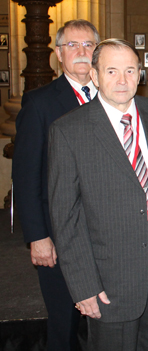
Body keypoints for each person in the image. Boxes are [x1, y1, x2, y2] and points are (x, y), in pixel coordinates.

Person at [48, 39, 148, 350]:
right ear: (95, 76)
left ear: (139, 75)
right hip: (109, 274)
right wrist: (83, 287)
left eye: (130, 71)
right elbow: (65, 216)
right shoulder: (69, 130)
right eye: (111, 71)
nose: (122, 80)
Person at [12, 19, 100, 351]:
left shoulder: (115, 97)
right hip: (59, 236)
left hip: (105, 237)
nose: (81, 52)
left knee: (106, 324)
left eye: (88, 45)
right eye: (72, 46)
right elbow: (26, 174)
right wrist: (37, 236)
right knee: (64, 325)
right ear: (59, 55)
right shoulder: (40, 102)